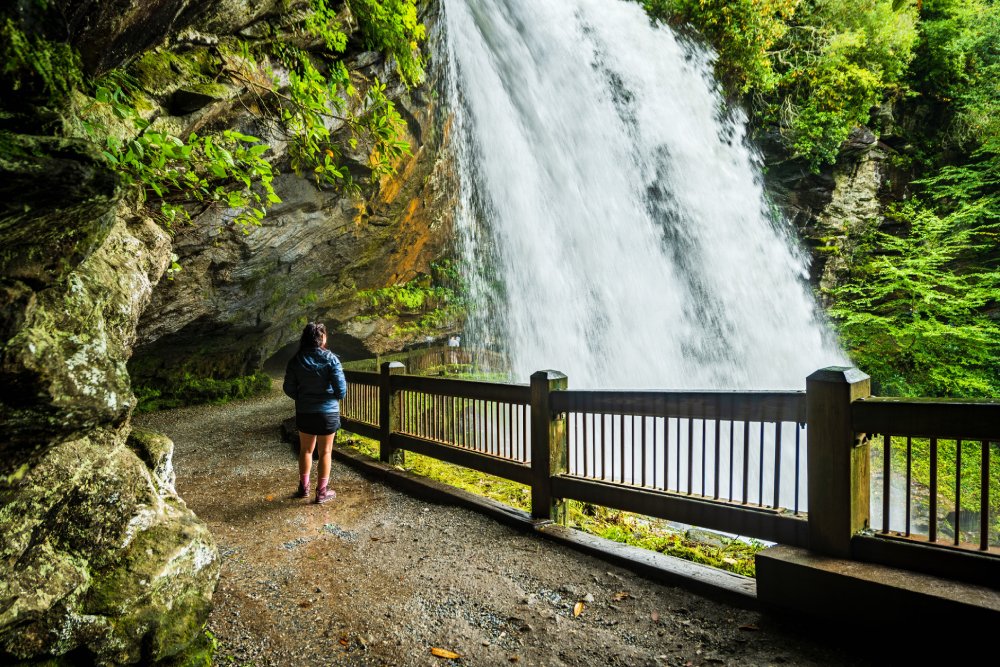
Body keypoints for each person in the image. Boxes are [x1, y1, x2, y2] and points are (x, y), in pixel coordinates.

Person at [282, 322, 347, 504]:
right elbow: (341, 391)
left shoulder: (296, 360)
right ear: (322, 338)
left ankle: (303, 488)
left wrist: (303, 398)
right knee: (325, 451)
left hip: (305, 411)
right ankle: (321, 492)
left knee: (306, 450)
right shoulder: (332, 359)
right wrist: (327, 397)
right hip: (328, 413)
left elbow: (288, 387)